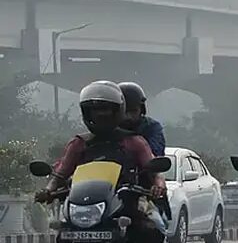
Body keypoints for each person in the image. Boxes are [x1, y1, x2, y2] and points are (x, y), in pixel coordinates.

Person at [35, 81, 167, 243]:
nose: (101, 115)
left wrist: (158, 186)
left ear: (118, 111)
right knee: (63, 233)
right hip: (84, 207)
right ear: (87, 113)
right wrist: (48, 190)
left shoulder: (135, 142)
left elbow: (155, 171)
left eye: (106, 111)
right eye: (95, 111)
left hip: (126, 204)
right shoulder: (79, 143)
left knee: (154, 229)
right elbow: (60, 173)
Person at [118, 82, 166, 157]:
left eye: (133, 111)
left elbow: (155, 154)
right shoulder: (107, 127)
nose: (128, 116)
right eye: (125, 111)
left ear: (142, 110)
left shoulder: (151, 128)